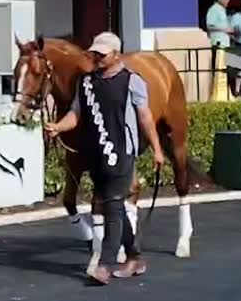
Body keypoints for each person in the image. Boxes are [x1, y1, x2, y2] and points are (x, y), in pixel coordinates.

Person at [45, 31, 165, 285]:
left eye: (102, 53)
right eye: (94, 53)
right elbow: (76, 114)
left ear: (116, 54)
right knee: (116, 206)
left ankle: (105, 265)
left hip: (122, 153)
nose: (96, 57)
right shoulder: (86, 82)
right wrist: (58, 127)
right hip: (96, 153)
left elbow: (145, 117)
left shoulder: (132, 81)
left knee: (110, 205)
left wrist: (157, 148)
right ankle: (134, 256)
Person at [205, 0, 233, 75]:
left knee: (225, 69)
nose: (228, 0)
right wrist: (223, 29)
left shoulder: (222, 10)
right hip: (218, 44)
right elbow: (209, 26)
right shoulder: (214, 9)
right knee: (219, 70)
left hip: (225, 44)